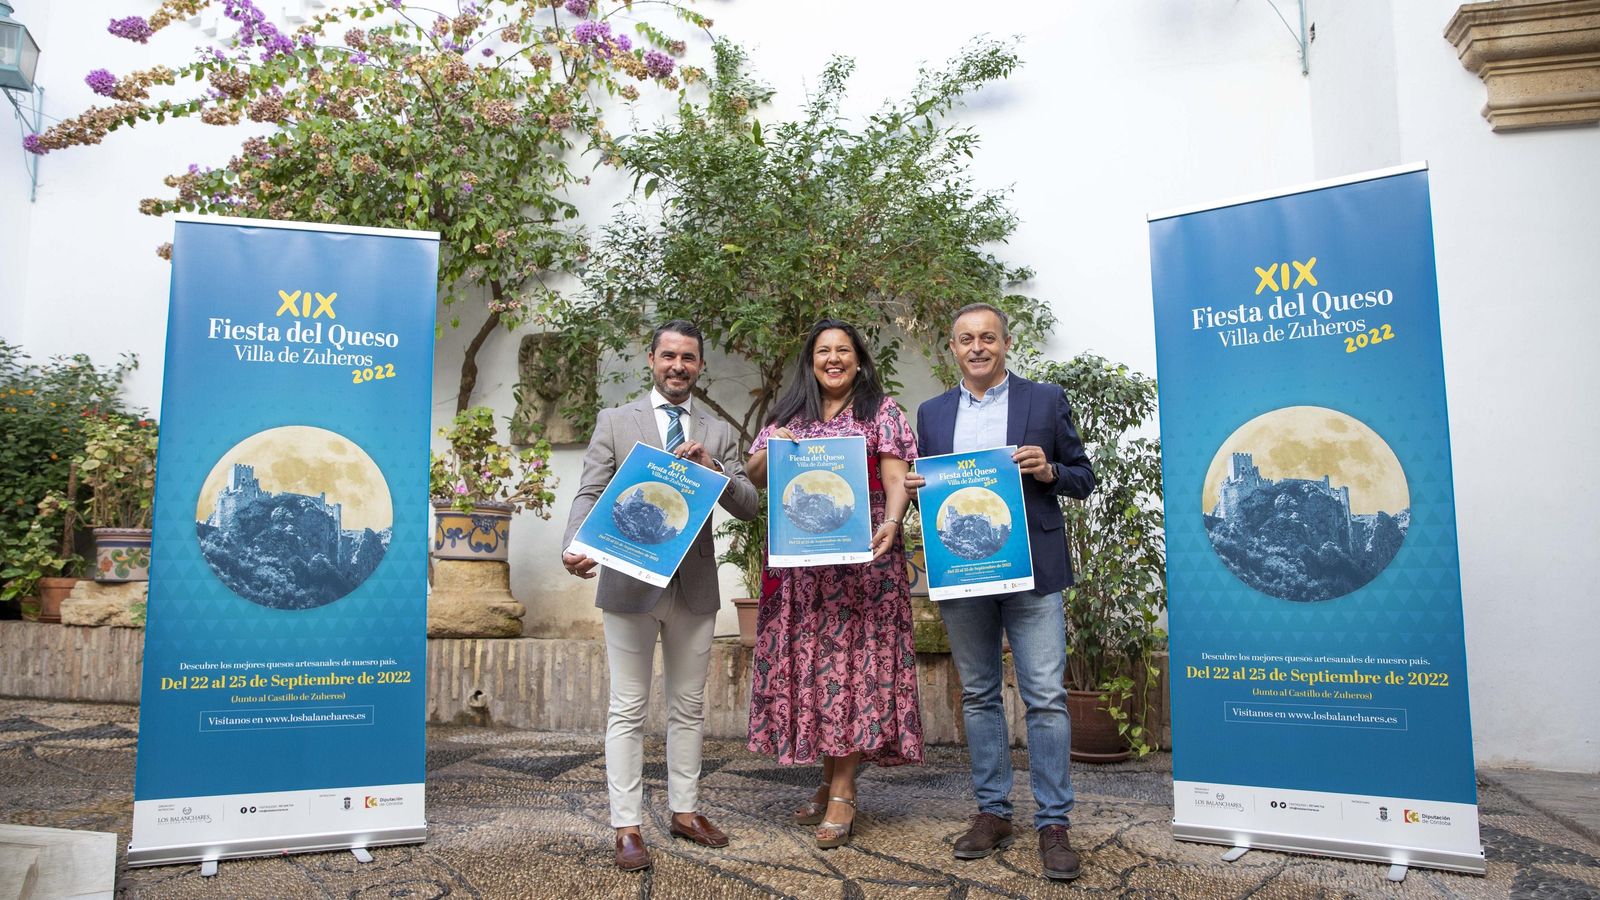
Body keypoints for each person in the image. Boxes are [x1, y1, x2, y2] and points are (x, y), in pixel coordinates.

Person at [903, 302, 1096, 882]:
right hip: (964, 571)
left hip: (1032, 570)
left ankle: (1054, 822)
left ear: (1006, 344)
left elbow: (1084, 477)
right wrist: (917, 490)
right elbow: (932, 491)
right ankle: (993, 811)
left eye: (988, 337)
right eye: (967, 339)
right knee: (981, 694)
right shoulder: (932, 413)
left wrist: (1050, 472)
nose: (978, 347)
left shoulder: (1045, 399)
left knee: (1044, 696)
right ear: (953, 349)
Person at [560, 319, 760, 872]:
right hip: (628, 583)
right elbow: (590, 491)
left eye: (689, 358)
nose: (678, 366)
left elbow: (748, 503)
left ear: (700, 365)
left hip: (693, 587)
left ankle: (685, 811)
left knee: (689, 707)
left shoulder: (717, 432)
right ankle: (626, 826)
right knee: (627, 707)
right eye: (668, 356)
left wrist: (714, 470)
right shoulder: (615, 421)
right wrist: (575, 544)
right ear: (651, 359)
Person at [744, 318, 923, 850]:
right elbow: (755, 475)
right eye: (823, 351)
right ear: (811, 361)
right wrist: (769, 445)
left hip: (865, 566)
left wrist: (891, 523)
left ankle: (843, 791)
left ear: (859, 359)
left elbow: (895, 477)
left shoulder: (881, 411)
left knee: (852, 675)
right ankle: (828, 781)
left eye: (844, 350)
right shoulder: (786, 415)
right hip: (802, 572)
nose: (834, 359)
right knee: (820, 675)